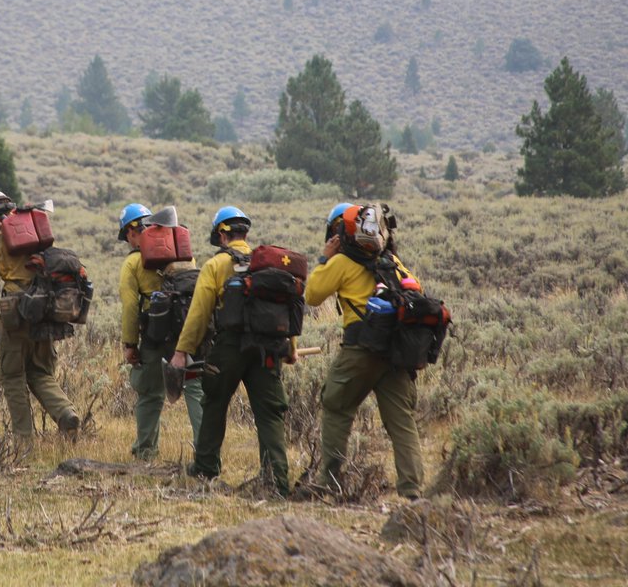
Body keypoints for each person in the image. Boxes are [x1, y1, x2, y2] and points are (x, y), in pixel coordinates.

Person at [172, 206, 297, 496]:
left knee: (214, 402)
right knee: (269, 413)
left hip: (230, 346)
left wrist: (182, 351)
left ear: (222, 234)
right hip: (268, 349)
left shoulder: (216, 266)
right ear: (246, 233)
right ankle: (276, 479)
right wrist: (291, 348)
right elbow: (286, 312)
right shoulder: (266, 264)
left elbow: (199, 314)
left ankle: (205, 467)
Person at [304, 202, 425, 500]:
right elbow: (416, 292)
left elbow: (312, 294)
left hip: (359, 350)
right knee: (402, 422)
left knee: (335, 407)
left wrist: (325, 258)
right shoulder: (393, 262)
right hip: (394, 354)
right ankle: (412, 490)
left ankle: (329, 481)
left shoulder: (342, 262)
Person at [0, 189, 79, 446]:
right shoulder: (37, 233)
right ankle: (66, 413)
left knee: (12, 376)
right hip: (47, 307)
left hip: (16, 313)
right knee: (41, 372)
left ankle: (23, 440)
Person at [117, 203, 203, 460]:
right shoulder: (185, 257)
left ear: (133, 232)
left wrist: (130, 344)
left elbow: (131, 307)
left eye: (126, 235)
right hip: (187, 334)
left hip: (154, 337)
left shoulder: (132, 264)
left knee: (149, 394)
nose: (127, 241)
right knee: (195, 390)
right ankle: (206, 451)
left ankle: (145, 451)